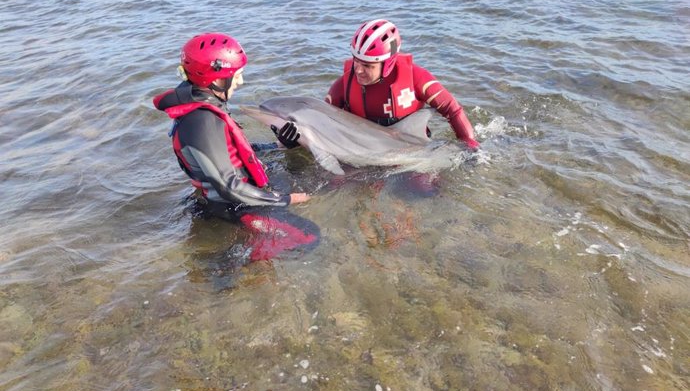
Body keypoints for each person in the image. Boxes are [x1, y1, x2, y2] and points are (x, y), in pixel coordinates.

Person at [152, 32, 317, 260]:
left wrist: (278, 146)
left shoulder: (200, 108)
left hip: (225, 198)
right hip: (234, 207)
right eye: (236, 75)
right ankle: (252, 272)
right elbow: (229, 187)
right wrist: (285, 199)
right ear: (216, 79)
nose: (240, 82)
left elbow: (233, 153)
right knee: (309, 237)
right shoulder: (202, 121)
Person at [325, 19, 480, 150]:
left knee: (423, 186)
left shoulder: (417, 79)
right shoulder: (344, 85)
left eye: (367, 65)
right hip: (364, 151)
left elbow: (452, 110)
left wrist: (470, 147)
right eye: (356, 61)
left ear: (387, 63)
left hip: (411, 149)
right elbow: (318, 122)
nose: (358, 70)